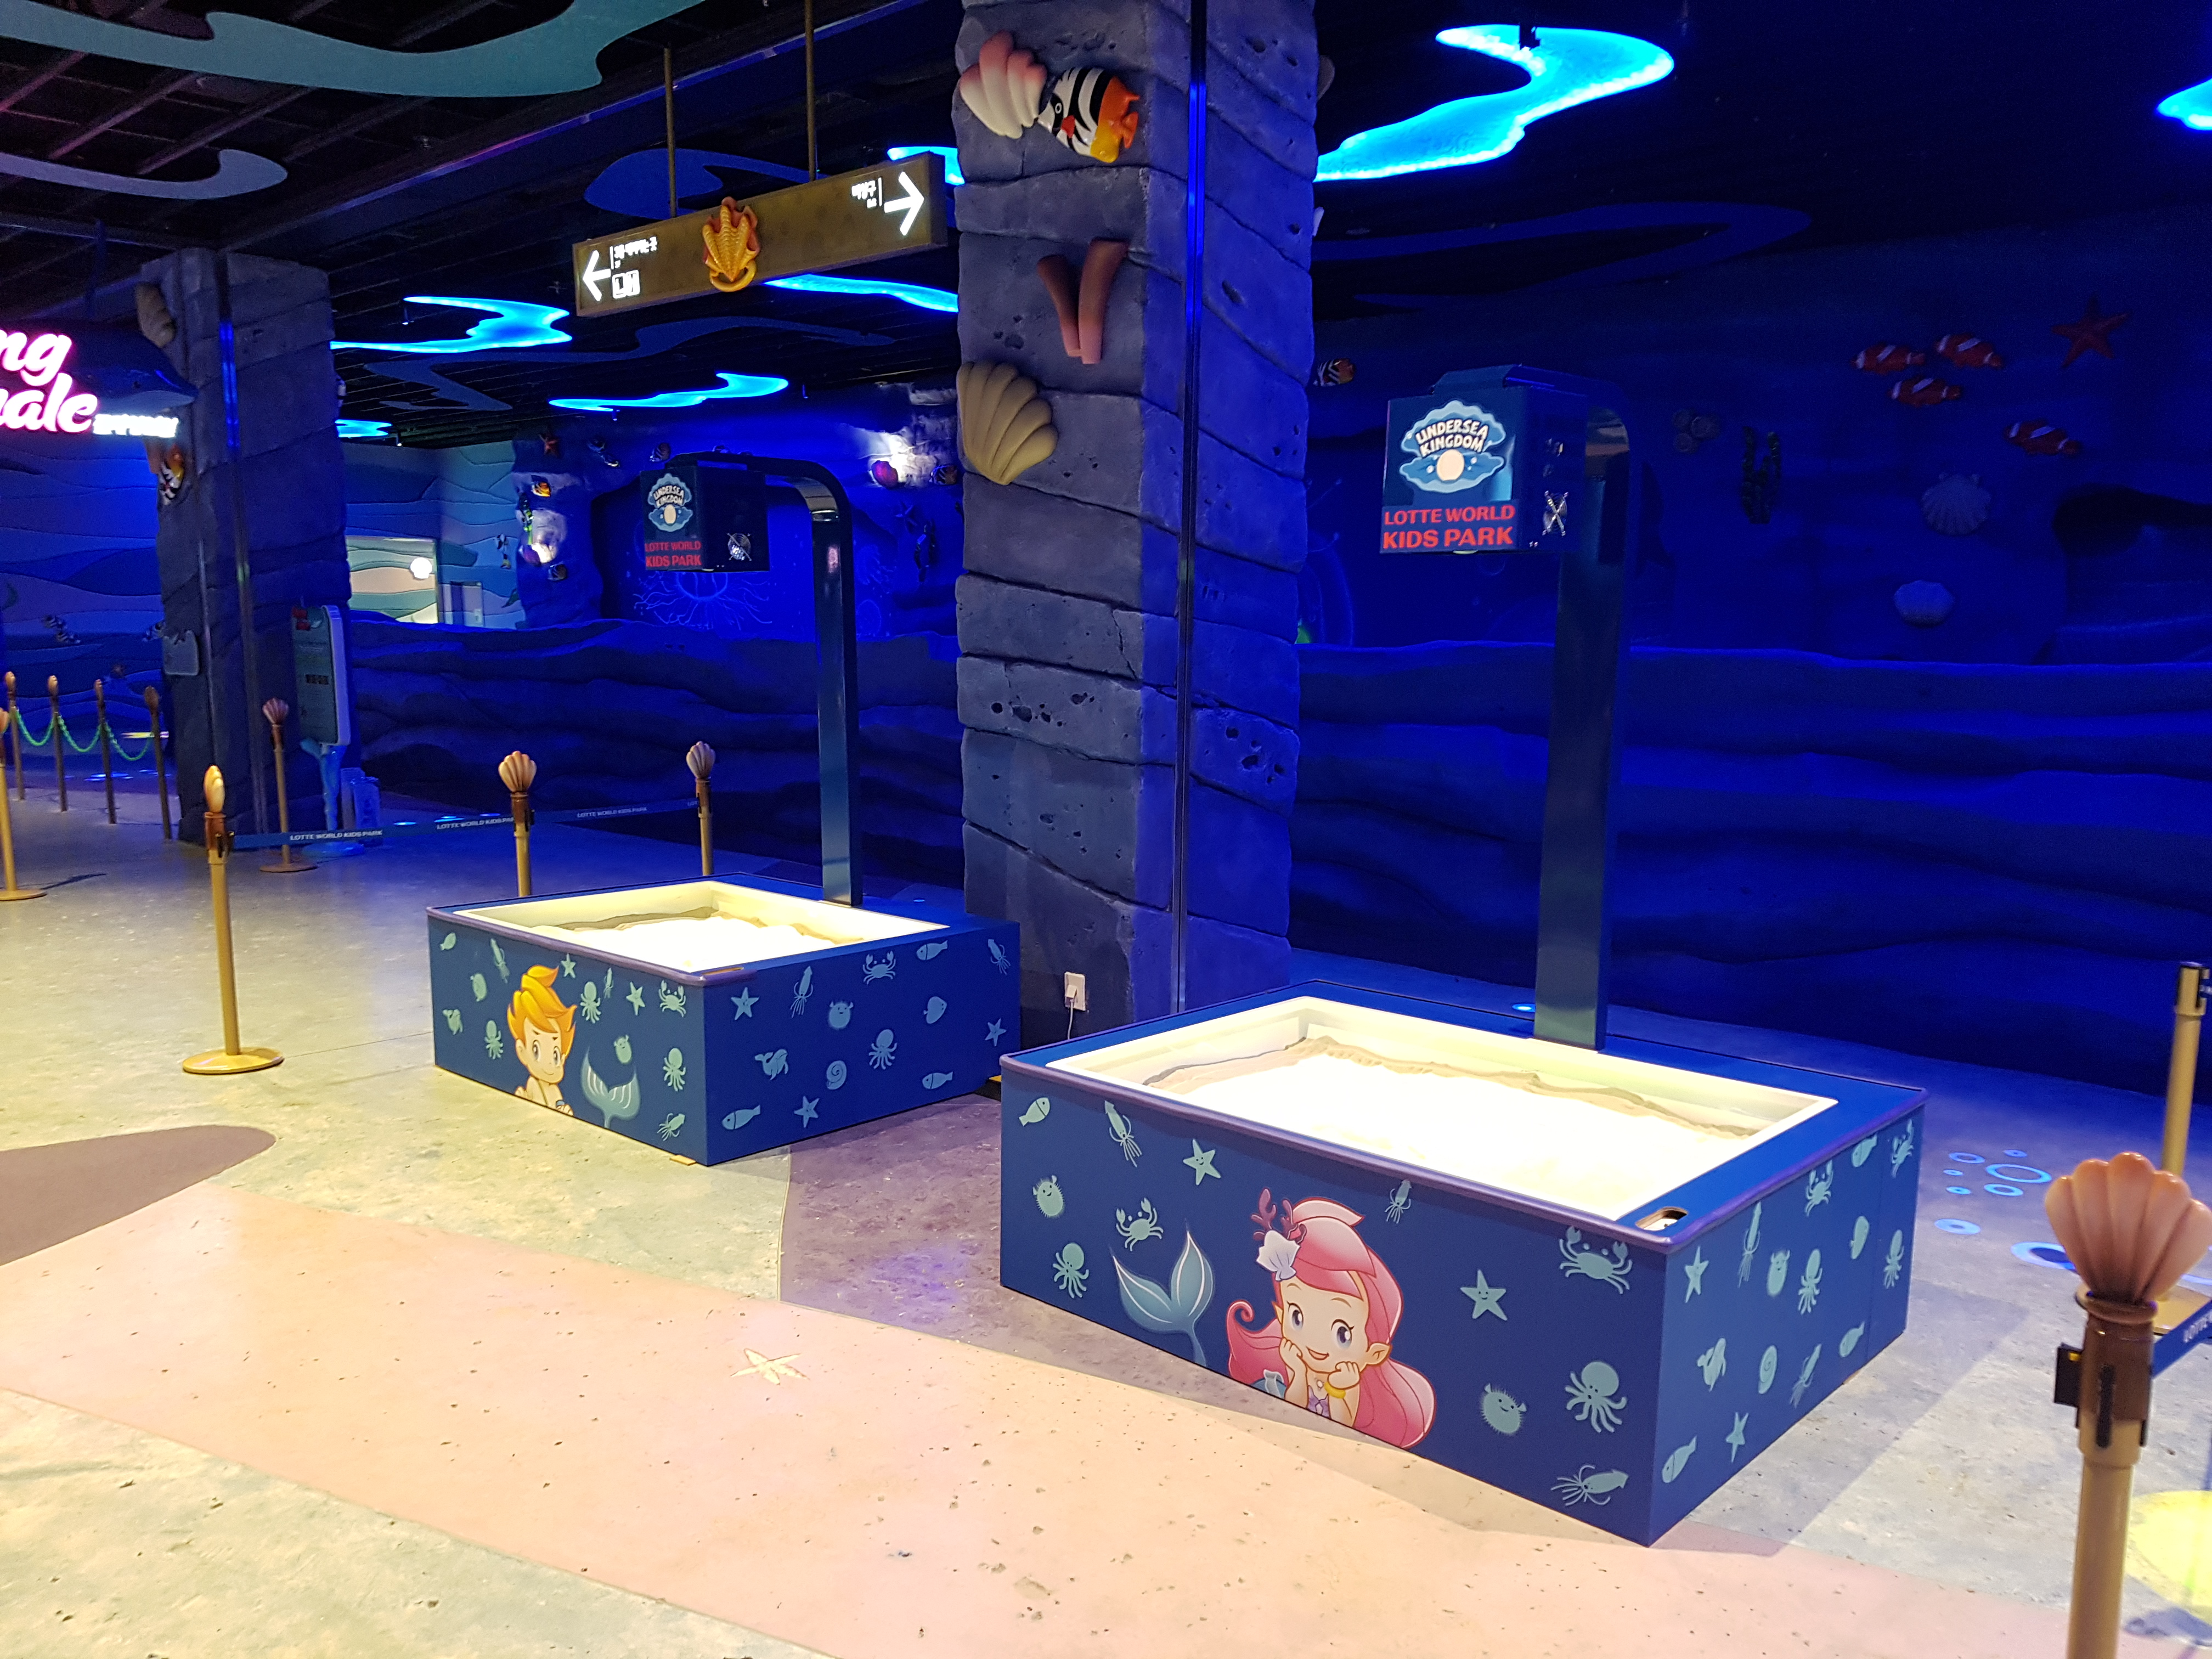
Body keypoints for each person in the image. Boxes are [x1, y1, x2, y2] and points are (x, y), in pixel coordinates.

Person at [1224, 1191, 1436, 1448]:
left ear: (1375, 1353)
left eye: (1342, 1334)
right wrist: (1299, 1372)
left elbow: (1342, 1425)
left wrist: (1338, 1389)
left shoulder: (1348, 1380)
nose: (1316, 1344)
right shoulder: (1300, 1365)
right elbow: (1294, 1406)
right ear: (1281, 1316)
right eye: (1297, 1317)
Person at [506, 963, 574, 1114]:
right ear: (522, 1051)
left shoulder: (554, 1090)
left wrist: (563, 1110)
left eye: (555, 1055)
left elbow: (557, 1105)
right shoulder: (533, 1084)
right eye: (536, 1051)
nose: (550, 1063)